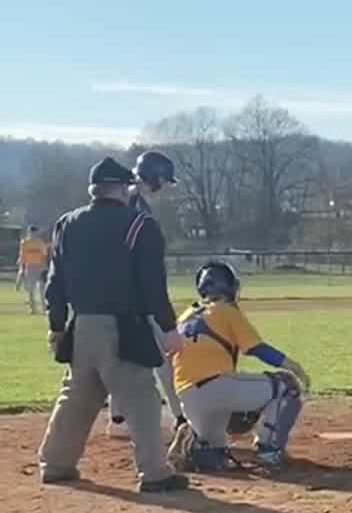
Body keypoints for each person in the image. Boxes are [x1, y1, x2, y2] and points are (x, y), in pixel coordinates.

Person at [38, 157, 188, 493]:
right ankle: (155, 473)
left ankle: (55, 464)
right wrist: (169, 329)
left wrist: (57, 325)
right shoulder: (140, 225)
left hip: (82, 327)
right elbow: (152, 286)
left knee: (77, 397)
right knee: (143, 401)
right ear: (122, 188)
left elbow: (55, 283)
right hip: (122, 328)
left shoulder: (67, 223)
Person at [168, 261, 311, 473]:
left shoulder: (186, 316)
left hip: (188, 398)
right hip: (217, 388)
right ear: (230, 287)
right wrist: (292, 365)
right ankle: (268, 450)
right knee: (286, 386)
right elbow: (257, 348)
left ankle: (194, 440)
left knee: (213, 454)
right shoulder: (226, 310)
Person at [107, 149, 183, 440]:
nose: (164, 188)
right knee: (163, 356)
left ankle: (118, 419)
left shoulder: (125, 197)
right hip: (138, 296)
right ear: (154, 178)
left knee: (119, 358)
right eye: (163, 181)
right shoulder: (136, 206)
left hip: (117, 295)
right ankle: (181, 419)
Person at [16, 225, 49, 313]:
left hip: (40, 267)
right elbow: (22, 256)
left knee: (42, 288)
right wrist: (21, 269)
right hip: (30, 267)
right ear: (29, 232)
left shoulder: (40, 243)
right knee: (31, 289)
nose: (33, 234)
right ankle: (33, 308)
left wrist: (45, 268)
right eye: (32, 232)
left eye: (35, 232)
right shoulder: (25, 243)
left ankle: (44, 307)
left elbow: (44, 256)